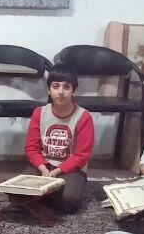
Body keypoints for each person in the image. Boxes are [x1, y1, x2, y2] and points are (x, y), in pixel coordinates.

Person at [25, 64, 95, 213]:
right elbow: (32, 148)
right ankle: (40, 196)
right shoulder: (39, 113)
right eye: (56, 86)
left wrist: (58, 171)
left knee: (69, 201)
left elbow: (82, 155)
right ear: (48, 90)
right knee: (21, 190)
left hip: (71, 168)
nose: (61, 92)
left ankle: (39, 198)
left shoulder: (84, 117)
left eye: (66, 87)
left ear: (74, 90)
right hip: (43, 165)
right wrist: (43, 168)